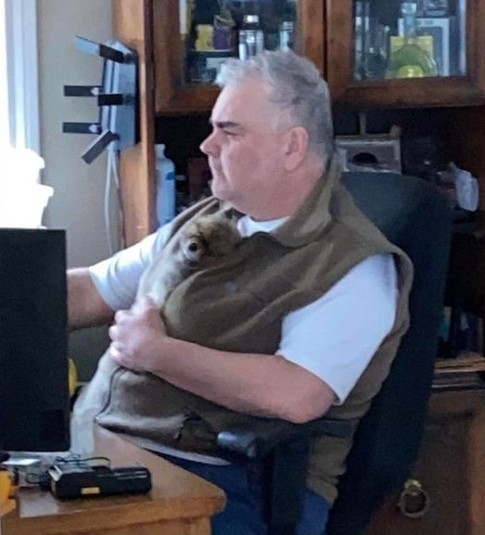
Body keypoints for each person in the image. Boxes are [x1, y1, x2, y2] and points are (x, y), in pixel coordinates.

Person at [70, 50, 413, 535]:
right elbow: (93, 289)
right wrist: (18, 291)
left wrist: (156, 353)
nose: (207, 145)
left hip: (226, 481)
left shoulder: (352, 263)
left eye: (229, 132)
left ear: (292, 146)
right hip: (111, 451)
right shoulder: (212, 218)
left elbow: (296, 394)